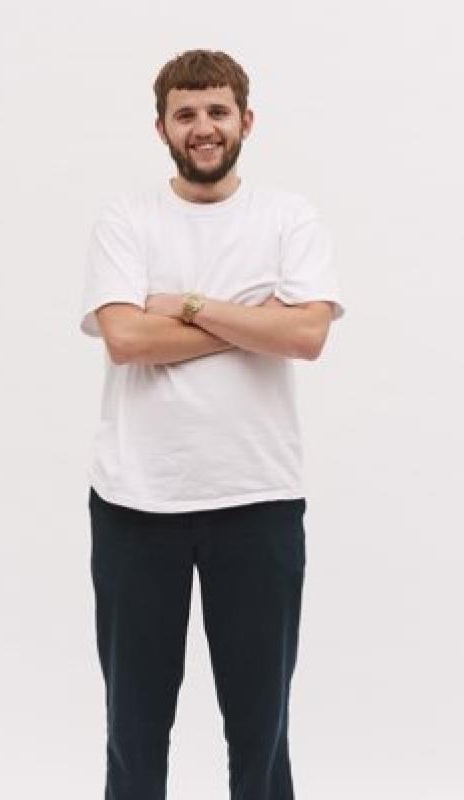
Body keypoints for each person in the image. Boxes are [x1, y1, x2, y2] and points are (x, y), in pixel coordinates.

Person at [79, 48, 345, 800]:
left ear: (246, 121)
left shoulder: (290, 217)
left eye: (217, 112)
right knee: (134, 728)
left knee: (261, 731)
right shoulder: (125, 220)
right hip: (137, 503)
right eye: (186, 114)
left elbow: (308, 336)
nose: (203, 127)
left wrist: (186, 305)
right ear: (161, 127)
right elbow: (128, 341)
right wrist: (257, 318)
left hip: (257, 499)